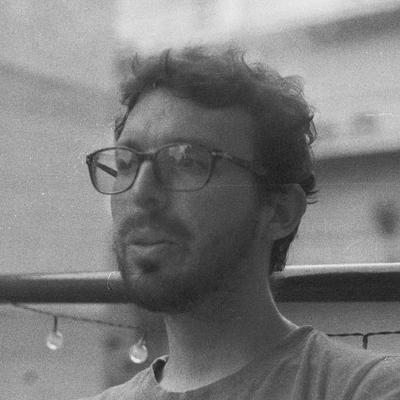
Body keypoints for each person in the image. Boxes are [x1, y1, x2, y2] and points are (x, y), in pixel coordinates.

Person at [81, 46, 400, 399]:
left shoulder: (367, 390)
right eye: (126, 162)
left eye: (187, 160)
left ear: (280, 211)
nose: (141, 192)